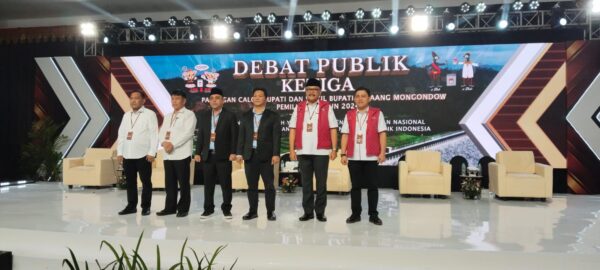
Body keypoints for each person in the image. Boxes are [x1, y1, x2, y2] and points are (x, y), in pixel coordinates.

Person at [289, 78, 338, 222]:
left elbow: (333, 128)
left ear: (320, 92)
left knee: (321, 184)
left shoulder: (326, 106)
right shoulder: (298, 107)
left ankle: (320, 212)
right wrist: (292, 150)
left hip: (321, 152)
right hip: (303, 151)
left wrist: (334, 148)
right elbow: (292, 129)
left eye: (315, 89)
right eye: (309, 89)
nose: (311, 92)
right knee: (306, 184)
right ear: (305, 91)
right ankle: (308, 212)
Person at [340, 86, 386, 226]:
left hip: (371, 157)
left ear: (369, 98)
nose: (360, 98)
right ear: (354, 99)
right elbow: (345, 135)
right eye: (357, 96)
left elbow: (382, 133)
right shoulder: (349, 114)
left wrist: (382, 152)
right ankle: (355, 214)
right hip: (353, 157)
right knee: (355, 187)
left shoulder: (377, 113)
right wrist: (343, 153)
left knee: (372, 187)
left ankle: (373, 215)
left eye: (363, 96)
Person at [236, 87, 281, 221]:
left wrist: (276, 154)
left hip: (266, 156)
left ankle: (270, 211)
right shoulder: (245, 116)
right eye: (255, 95)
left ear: (265, 99)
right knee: (252, 186)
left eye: (260, 96)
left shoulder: (273, 116)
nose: (257, 98)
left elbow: (276, 137)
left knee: (269, 185)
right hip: (249, 155)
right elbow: (241, 136)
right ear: (252, 98)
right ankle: (252, 211)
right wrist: (239, 153)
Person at [194, 88, 238, 220]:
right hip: (207, 155)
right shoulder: (204, 115)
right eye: (212, 98)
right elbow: (201, 135)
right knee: (208, 184)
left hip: (224, 156)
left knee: (226, 184)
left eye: (217, 98)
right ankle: (208, 209)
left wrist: (233, 152)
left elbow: (234, 136)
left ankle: (226, 209)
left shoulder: (230, 115)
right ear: (209, 101)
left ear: (223, 100)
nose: (214, 100)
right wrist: (197, 152)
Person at [116, 90, 158, 216]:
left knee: (146, 182)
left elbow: (154, 134)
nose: (133, 100)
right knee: (130, 182)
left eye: (137, 98)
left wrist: (152, 152)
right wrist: (120, 152)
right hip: (128, 154)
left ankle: (146, 207)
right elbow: (122, 135)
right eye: (131, 98)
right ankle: (131, 206)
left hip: (144, 155)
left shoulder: (150, 114)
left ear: (143, 100)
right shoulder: (126, 115)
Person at [157, 90, 197, 218]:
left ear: (184, 101)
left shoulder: (189, 114)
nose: (174, 101)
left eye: (177, 98)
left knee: (183, 183)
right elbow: (162, 131)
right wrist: (163, 142)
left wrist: (172, 144)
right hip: (168, 155)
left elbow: (188, 133)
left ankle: (183, 208)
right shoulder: (168, 115)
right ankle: (170, 208)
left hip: (182, 154)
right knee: (170, 183)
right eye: (172, 98)